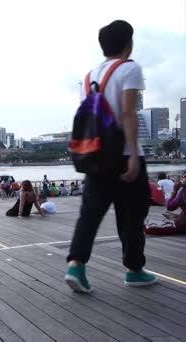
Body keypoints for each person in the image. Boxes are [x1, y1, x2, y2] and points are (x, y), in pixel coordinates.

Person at [65, 20, 156, 293]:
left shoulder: (88, 77)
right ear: (128, 42)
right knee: (132, 216)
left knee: (90, 214)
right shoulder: (129, 68)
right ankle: (134, 270)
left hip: (96, 156)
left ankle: (76, 266)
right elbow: (128, 113)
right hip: (125, 155)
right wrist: (131, 156)